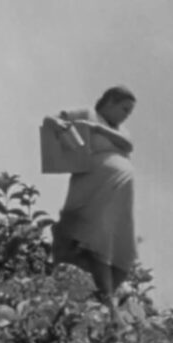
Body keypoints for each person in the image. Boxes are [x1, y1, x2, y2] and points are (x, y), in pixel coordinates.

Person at [50, 85, 138, 324]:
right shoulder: (87, 113)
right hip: (91, 189)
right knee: (90, 239)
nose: (126, 115)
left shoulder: (117, 130)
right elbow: (54, 119)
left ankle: (101, 297)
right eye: (124, 109)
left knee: (117, 249)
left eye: (129, 112)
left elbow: (128, 145)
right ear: (109, 101)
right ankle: (105, 300)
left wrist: (97, 129)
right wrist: (58, 125)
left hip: (116, 198)